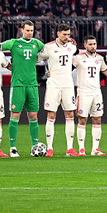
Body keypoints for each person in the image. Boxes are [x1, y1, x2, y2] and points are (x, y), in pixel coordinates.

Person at [0, 21, 43, 156]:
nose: (30, 33)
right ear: (22, 30)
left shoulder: (37, 44)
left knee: (33, 115)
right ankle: (13, 148)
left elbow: (51, 51)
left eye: (32, 30)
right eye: (27, 30)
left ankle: (34, 147)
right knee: (15, 115)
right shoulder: (13, 43)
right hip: (18, 85)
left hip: (32, 85)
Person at [39, 24, 78, 156]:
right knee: (51, 115)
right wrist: (46, 72)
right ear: (58, 34)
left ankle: (70, 148)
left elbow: (76, 49)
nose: (67, 37)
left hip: (68, 85)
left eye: (68, 34)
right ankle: (49, 148)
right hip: (54, 85)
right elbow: (36, 59)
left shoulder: (71, 47)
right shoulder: (49, 47)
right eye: (64, 34)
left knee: (70, 115)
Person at [73, 36, 106, 156]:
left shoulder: (100, 58)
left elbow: (106, 72)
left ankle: (95, 149)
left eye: (95, 44)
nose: (93, 46)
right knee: (82, 119)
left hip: (97, 92)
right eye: (91, 44)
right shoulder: (78, 58)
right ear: (85, 45)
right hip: (83, 92)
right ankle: (82, 149)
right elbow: (66, 68)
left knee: (97, 119)